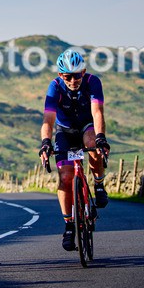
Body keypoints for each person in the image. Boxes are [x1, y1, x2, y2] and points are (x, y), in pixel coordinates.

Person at [39, 49, 110, 251]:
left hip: (86, 126)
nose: (73, 80)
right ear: (61, 75)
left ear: (84, 72)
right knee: (66, 177)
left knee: (92, 143)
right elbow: (48, 119)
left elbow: (97, 112)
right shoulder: (54, 87)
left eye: (77, 75)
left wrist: (101, 138)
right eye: (68, 76)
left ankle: (98, 184)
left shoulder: (92, 82)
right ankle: (69, 225)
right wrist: (45, 142)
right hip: (64, 132)